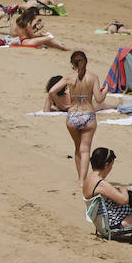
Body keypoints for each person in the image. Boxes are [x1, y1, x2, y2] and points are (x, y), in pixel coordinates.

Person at [49, 51, 106, 181]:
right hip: (88, 115)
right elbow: (99, 99)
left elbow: (52, 91)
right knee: (85, 150)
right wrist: (105, 92)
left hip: (73, 115)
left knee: (77, 148)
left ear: (73, 64)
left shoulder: (69, 77)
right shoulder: (93, 77)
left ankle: (80, 177)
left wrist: (62, 106)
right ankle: (82, 180)